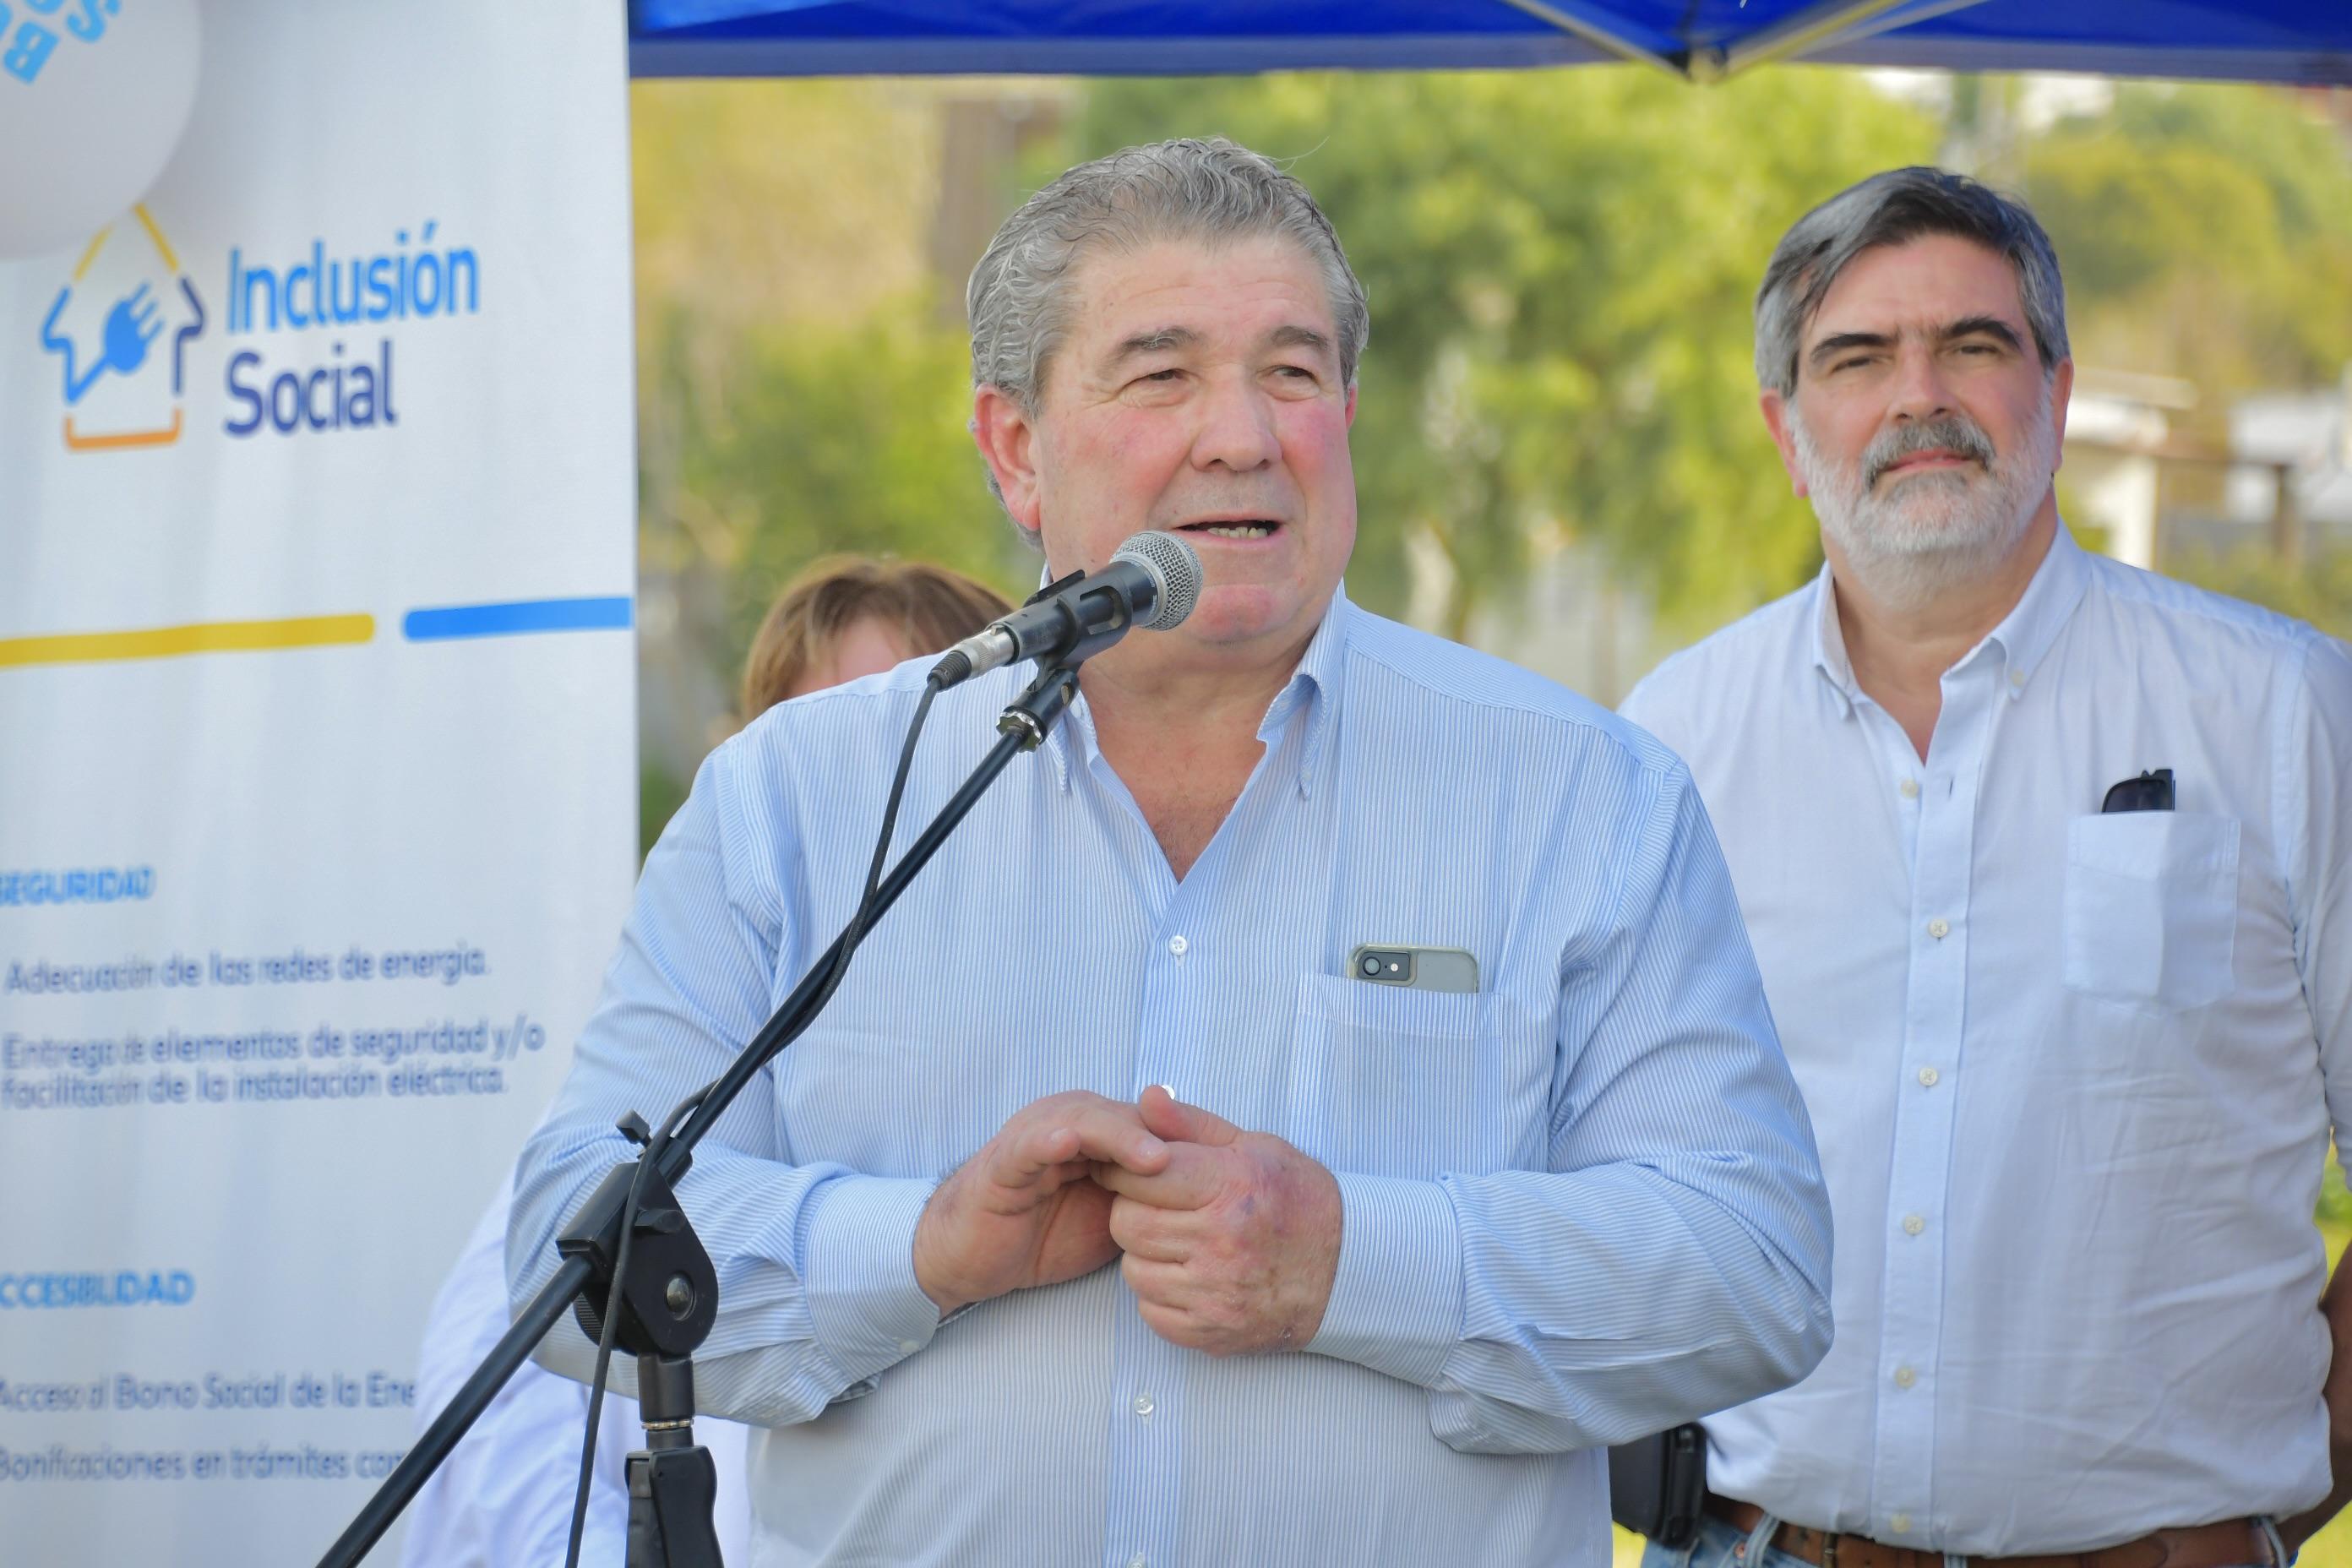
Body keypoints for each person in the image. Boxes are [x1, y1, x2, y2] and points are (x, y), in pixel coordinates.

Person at [510, 137, 1833, 1567]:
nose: (1243, 435)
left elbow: (1750, 1272)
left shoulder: (1582, 792)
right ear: (1016, 449)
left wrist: (1351, 1260)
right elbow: (565, 1254)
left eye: (1291, 371)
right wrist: (920, 1248)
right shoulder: (801, 793)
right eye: (1160, 374)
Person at [1621, 166, 2352, 1568]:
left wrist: (2267, 1499)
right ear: (1784, 429)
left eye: (1970, 344)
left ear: (2055, 394)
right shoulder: (1671, 738)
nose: (1917, 396)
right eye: (1853, 358)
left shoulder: (2280, 713)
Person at [402, 557, 1009, 1568]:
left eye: (901, 746)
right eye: (816, 745)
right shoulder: (645, 1109)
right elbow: (501, 1484)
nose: (855, 795)